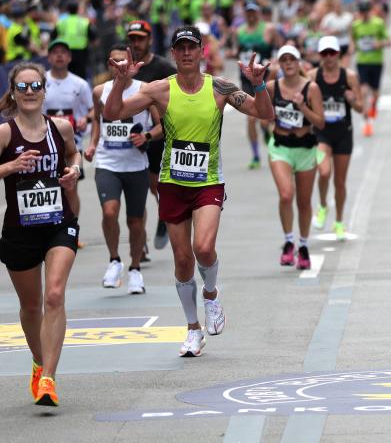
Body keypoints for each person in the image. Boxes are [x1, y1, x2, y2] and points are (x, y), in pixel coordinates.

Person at [103, 26, 273, 357]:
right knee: (182, 260)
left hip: (208, 181)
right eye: (179, 47)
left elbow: (264, 113)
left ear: (201, 52)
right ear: (173, 53)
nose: (185, 53)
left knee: (204, 248)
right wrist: (121, 82)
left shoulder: (220, 88)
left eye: (191, 47)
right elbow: (111, 113)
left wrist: (259, 84)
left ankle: (211, 294)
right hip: (172, 182)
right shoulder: (159, 89)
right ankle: (193, 329)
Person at [0, 62, 82, 406]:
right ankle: (37, 360)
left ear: (45, 91)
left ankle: (48, 378)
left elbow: (74, 154)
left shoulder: (60, 128)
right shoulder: (5, 133)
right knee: (31, 306)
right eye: (23, 87)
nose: (30, 92)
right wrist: (9, 167)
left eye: (36, 86)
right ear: (14, 94)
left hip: (59, 222)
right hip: (19, 230)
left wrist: (74, 171)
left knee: (54, 295)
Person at [85, 45, 161, 293]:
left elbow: (162, 125)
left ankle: (136, 269)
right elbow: (98, 120)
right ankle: (114, 260)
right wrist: (93, 144)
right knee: (109, 213)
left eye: (124, 62)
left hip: (136, 165)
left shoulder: (144, 90)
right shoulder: (100, 91)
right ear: (109, 65)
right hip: (108, 163)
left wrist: (147, 136)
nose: (120, 66)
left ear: (132, 64)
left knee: (135, 221)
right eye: (115, 62)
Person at [266, 45, 325, 269]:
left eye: (292, 59)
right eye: (284, 60)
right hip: (280, 146)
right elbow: (262, 111)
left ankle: (304, 245)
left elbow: (320, 122)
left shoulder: (312, 88)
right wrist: (267, 117)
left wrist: (303, 107)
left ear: (299, 63)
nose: (288, 63)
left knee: (303, 201)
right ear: (280, 64)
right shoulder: (273, 87)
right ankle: (289, 241)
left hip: (305, 147)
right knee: (285, 195)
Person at [125, 20, 176, 253]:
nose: (136, 43)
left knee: (154, 188)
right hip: (127, 143)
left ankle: (164, 215)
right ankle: (140, 241)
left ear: (149, 39)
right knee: (137, 192)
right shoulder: (124, 67)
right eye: (133, 38)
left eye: (140, 38)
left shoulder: (164, 67)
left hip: (156, 140)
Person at [309, 37, 364, 241]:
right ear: (320, 55)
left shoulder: (349, 77)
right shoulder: (313, 76)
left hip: (343, 132)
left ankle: (339, 221)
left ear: (338, 54)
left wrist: (352, 99)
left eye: (332, 53)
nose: (329, 57)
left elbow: (361, 107)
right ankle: (322, 205)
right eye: (324, 53)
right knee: (324, 172)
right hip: (321, 132)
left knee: (340, 182)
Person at [232, 3, 276, 169]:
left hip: (265, 77)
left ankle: (267, 133)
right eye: (248, 12)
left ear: (258, 13)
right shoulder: (239, 31)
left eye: (253, 12)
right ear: (245, 14)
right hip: (246, 80)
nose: (251, 15)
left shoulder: (268, 28)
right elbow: (237, 50)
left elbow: (271, 43)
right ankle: (256, 156)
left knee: (266, 118)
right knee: (251, 118)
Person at [43, 40, 93, 171]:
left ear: (69, 57)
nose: (59, 56)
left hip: (73, 143)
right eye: (55, 53)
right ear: (48, 58)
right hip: (45, 143)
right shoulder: (38, 83)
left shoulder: (80, 84)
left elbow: (93, 109)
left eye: (63, 53)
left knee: (71, 188)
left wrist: (86, 119)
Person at [351, 1, 389, 137]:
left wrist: (380, 43)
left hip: (376, 62)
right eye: (362, 12)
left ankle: (373, 106)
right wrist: (351, 49)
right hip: (362, 62)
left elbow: (389, 40)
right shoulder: (355, 25)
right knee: (364, 90)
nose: (364, 15)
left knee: (376, 93)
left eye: (366, 11)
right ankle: (367, 122)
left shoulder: (378, 23)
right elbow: (353, 40)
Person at [54, 0, 96, 80]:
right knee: (81, 76)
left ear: (67, 10)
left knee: (67, 75)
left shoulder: (61, 22)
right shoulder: (84, 22)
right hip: (81, 53)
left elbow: (53, 36)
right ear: (77, 9)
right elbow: (93, 37)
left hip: (65, 52)